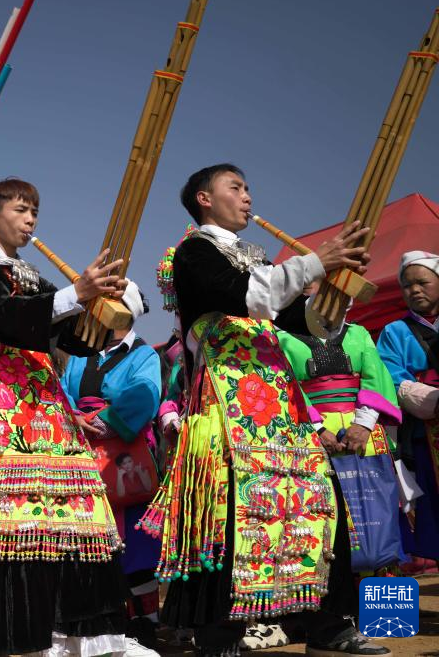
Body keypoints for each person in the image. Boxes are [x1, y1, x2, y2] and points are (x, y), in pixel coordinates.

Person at [144, 163, 386, 657]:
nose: (248, 196)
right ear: (205, 199)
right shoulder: (194, 252)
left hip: (279, 401)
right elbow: (246, 297)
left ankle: (327, 627)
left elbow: (305, 322)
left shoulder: (255, 258)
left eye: (248, 187)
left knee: (317, 503)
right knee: (232, 511)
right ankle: (220, 637)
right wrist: (314, 263)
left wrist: (334, 290)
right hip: (227, 400)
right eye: (236, 187)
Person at [0, 178, 149, 657]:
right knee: (4, 520)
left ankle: (75, 637)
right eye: (21, 210)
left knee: (71, 518)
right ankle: (9, 639)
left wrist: (100, 304)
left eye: (35, 213)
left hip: (45, 403)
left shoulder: (36, 278)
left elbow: (75, 340)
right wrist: (74, 292)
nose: (30, 221)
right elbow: (2, 316)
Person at [60, 280, 163, 648]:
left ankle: (144, 621)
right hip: (83, 452)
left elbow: (145, 395)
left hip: (126, 457)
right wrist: (73, 417)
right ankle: (99, 618)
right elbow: (62, 391)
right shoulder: (81, 354)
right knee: (87, 538)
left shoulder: (144, 355)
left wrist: (104, 422)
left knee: (135, 543)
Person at [376, 251, 439, 565]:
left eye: (422, 282)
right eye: (407, 285)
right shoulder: (394, 332)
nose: (414, 290)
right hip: (426, 431)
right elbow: (391, 378)